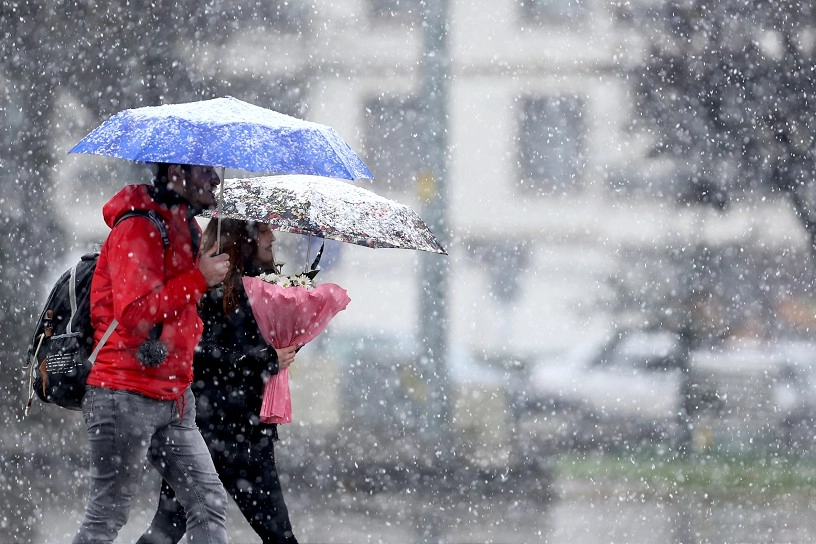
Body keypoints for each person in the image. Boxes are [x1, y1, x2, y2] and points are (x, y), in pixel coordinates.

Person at [73, 163, 231, 544]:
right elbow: (134, 312)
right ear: (177, 171)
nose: (216, 179)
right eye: (204, 170)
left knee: (208, 505)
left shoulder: (187, 227)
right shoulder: (139, 227)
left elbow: (182, 306)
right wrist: (199, 279)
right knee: (107, 516)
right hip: (123, 392)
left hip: (175, 397)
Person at [138, 218, 299, 544]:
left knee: (278, 536)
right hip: (209, 432)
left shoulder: (266, 288)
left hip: (247, 434)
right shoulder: (208, 290)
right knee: (166, 530)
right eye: (265, 230)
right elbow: (200, 355)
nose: (273, 237)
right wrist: (265, 358)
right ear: (245, 239)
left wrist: (293, 333)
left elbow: (263, 349)